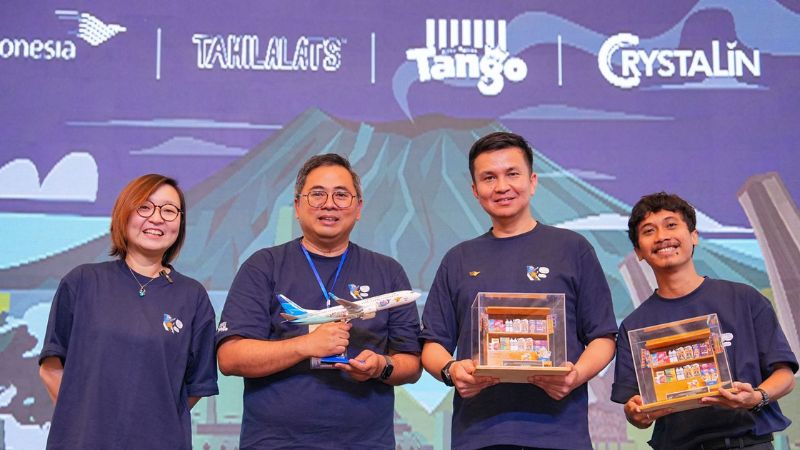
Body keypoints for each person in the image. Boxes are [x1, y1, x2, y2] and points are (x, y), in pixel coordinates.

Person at [420, 131, 618, 449]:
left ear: (533, 181)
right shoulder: (458, 259)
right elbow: (432, 344)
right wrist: (451, 370)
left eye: (512, 174)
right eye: (489, 178)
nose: (502, 186)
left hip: (560, 434)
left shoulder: (572, 249)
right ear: (475, 191)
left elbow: (603, 337)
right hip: (479, 435)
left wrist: (576, 375)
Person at [216, 153, 421, 449]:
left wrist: (381, 366)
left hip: (365, 443)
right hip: (275, 443)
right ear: (297, 206)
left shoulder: (388, 271)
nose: (329, 204)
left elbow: (411, 364)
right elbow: (230, 357)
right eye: (317, 194)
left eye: (341, 195)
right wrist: (304, 346)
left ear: (358, 208)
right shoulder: (263, 266)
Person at [38, 174, 219, 449]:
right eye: (144, 207)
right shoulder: (83, 282)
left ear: (180, 223)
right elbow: (51, 367)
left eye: (169, 210)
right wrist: (85, 423)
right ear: (124, 215)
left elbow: (195, 386)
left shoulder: (192, 296)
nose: (157, 218)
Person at [611, 192, 797, 450]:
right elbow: (634, 407)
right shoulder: (634, 325)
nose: (662, 236)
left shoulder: (744, 299)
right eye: (649, 231)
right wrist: (636, 414)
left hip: (748, 443)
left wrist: (757, 396)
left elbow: (785, 374)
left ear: (694, 236)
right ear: (638, 251)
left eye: (671, 225)